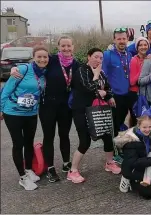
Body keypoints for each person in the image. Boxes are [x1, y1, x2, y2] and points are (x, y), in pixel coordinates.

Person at [9, 35, 79, 183]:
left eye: (69, 46)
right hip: (48, 106)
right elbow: (34, 65)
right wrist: (14, 68)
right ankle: (50, 167)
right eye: (63, 46)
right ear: (58, 47)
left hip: (66, 107)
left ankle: (66, 163)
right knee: (49, 137)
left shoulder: (76, 64)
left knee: (65, 135)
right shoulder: (51, 60)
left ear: (73, 47)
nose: (66, 48)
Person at [67, 48, 121, 184]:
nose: (98, 60)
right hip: (82, 111)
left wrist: (109, 96)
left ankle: (109, 162)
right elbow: (89, 88)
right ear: (88, 56)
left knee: (108, 136)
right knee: (85, 141)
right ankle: (73, 171)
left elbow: (107, 87)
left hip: (99, 110)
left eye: (101, 58)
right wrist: (96, 76)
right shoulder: (81, 70)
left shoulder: (101, 72)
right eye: (96, 57)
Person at [1, 45, 49, 190]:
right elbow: (6, 90)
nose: (42, 59)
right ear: (33, 57)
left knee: (29, 142)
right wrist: (1, 109)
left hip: (31, 113)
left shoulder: (44, 73)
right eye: (39, 56)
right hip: (13, 112)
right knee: (18, 143)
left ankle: (28, 170)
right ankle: (22, 177)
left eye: (45, 57)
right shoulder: (23, 70)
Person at [115, 115, 151, 200]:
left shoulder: (148, 135)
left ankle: (147, 181)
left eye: (150, 126)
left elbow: (149, 148)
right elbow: (133, 162)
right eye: (144, 127)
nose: (147, 129)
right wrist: (150, 161)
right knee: (149, 194)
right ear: (138, 126)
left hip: (144, 164)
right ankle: (128, 180)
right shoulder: (130, 142)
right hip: (133, 169)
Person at [102, 27, 133, 137]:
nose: (121, 41)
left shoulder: (129, 54)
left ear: (127, 39)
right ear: (114, 40)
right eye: (119, 39)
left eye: (124, 38)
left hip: (127, 95)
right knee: (114, 126)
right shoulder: (107, 55)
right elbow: (102, 76)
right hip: (114, 97)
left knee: (121, 123)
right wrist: (108, 96)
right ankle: (114, 152)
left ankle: (121, 146)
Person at [129, 37, 150, 124]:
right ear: (137, 48)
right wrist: (143, 67)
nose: (143, 47)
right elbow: (132, 81)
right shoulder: (134, 60)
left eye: (145, 45)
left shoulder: (149, 58)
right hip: (135, 94)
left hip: (146, 93)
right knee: (138, 121)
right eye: (140, 45)